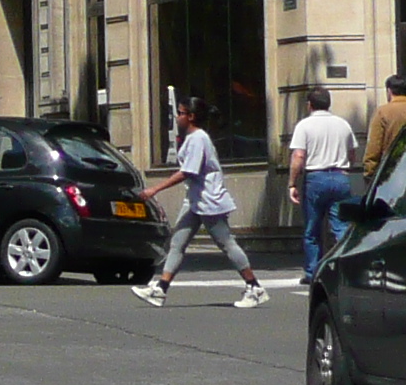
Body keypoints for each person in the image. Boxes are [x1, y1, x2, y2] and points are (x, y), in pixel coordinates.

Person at [138, 98, 267, 310]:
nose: (177, 117)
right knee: (177, 243)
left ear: (191, 116)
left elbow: (188, 171)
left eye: (180, 113)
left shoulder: (198, 138)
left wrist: (155, 189)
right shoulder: (190, 138)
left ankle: (254, 287)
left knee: (226, 243)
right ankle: (160, 289)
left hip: (209, 200)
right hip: (195, 200)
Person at [290, 86, 360, 284]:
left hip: (315, 177)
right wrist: (346, 168)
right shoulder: (343, 124)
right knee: (341, 226)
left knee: (312, 229)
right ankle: (348, 268)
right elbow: (352, 153)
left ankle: (313, 272)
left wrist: (292, 183)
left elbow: (298, 156)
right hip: (340, 176)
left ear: (309, 104)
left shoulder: (304, 126)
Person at [362, 74, 406, 185]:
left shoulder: (383, 112)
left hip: (392, 173)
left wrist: (369, 173)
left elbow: (374, 146)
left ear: (389, 91)